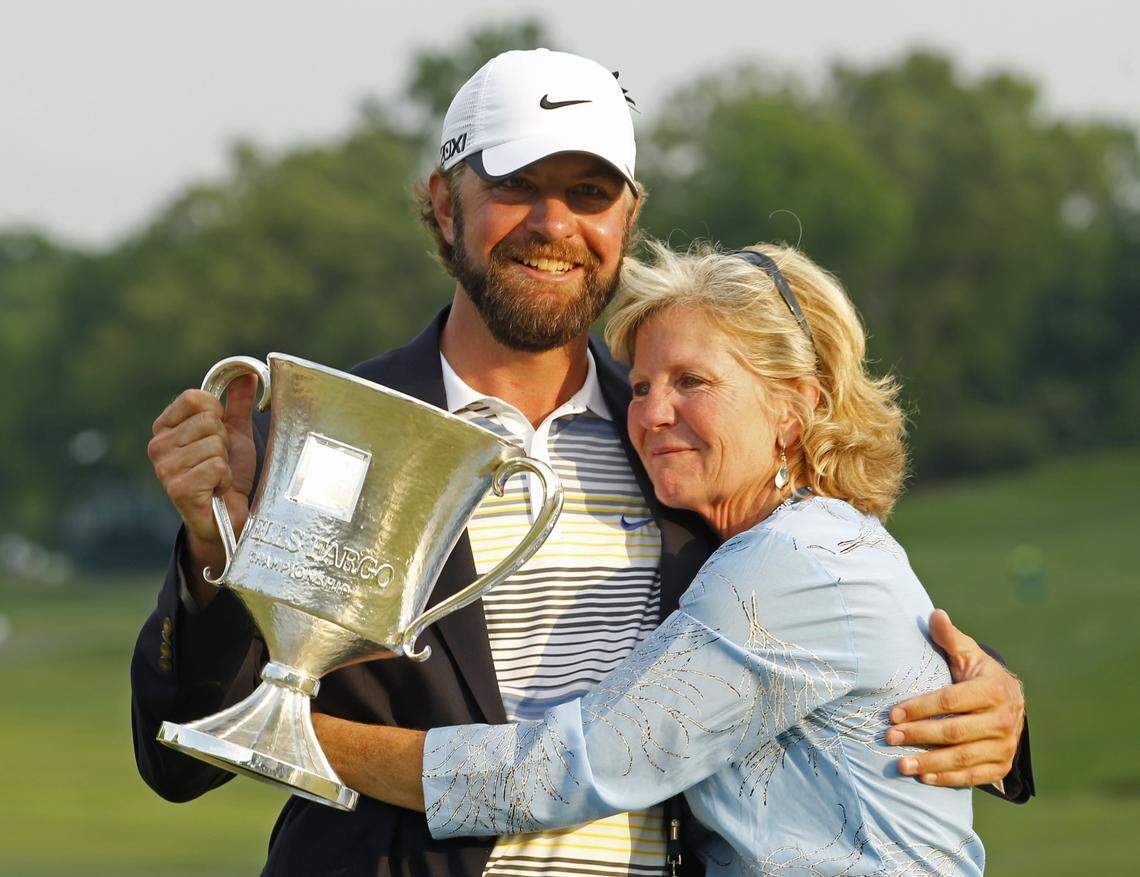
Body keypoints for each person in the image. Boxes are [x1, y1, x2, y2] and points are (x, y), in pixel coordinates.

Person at [132, 49, 1031, 877]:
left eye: (590, 193)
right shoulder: (333, 428)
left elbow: (829, 621)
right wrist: (217, 549)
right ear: (446, 205)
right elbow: (183, 753)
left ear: (627, 218)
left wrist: (989, 702)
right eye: (517, 183)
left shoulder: (688, 448)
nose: (554, 222)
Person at [311, 241, 1000, 874]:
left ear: (794, 406)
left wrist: (294, 736)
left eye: (692, 381)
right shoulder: (808, 543)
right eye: (640, 386)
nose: (652, 413)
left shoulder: (793, 562)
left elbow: (556, 773)